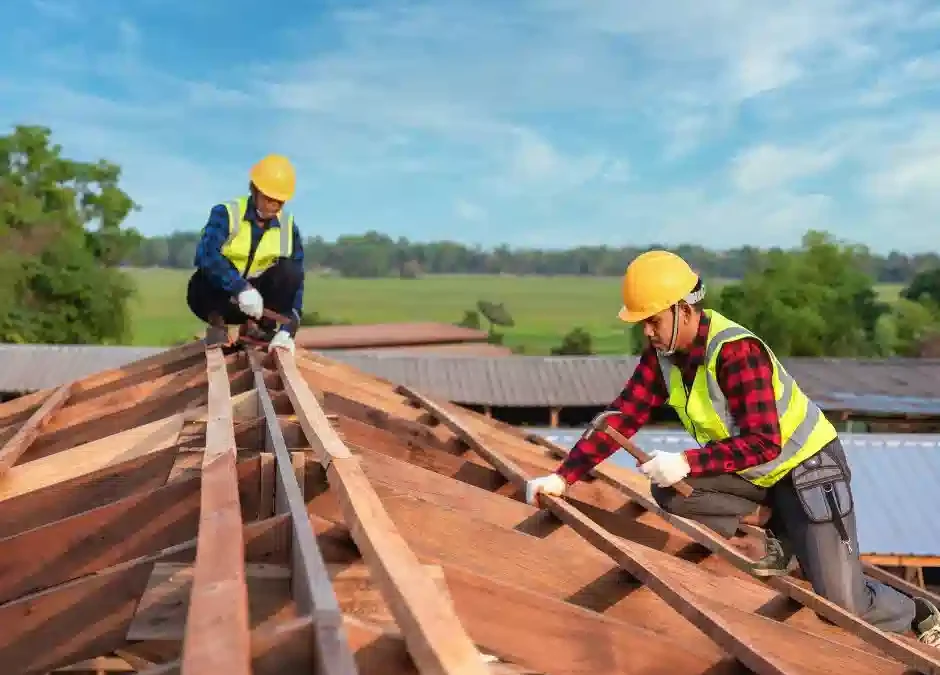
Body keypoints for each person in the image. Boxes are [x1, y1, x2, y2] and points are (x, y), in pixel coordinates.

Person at [524, 249, 940, 647]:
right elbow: (621, 416)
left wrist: (687, 460)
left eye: (651, 320)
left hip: (810, 472)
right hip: (760, 476)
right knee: (669, 490)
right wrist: (563, 477)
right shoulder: (663, 356)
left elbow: (764, 441)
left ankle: (918, 612)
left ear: (683, 310)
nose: (646, 331)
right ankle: (785, 534)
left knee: (840, 604)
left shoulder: (736, 351)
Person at [187, 154, 304, 353]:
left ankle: (259, 330)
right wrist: (239, 288)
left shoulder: (288, 227)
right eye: (268, 199)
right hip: (221, 298)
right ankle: (218, 326)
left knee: (290, 271)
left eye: (279, 202)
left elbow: (297, 281)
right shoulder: (226, 213)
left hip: (259, 309)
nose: (273, 206)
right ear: (254, 189)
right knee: (204, 276)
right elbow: (205, 254)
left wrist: (288, 328)